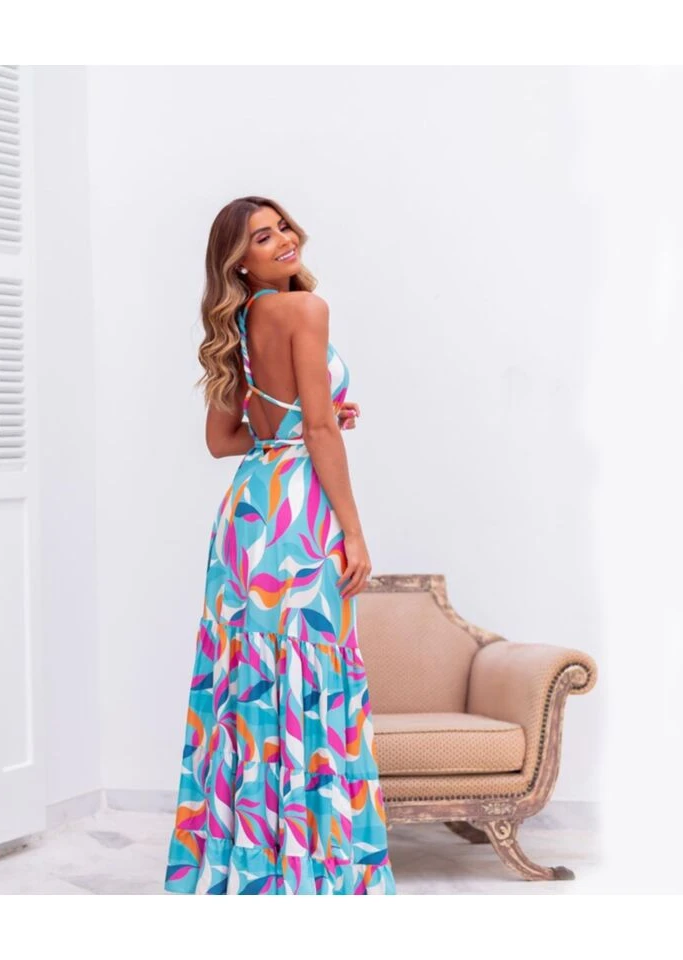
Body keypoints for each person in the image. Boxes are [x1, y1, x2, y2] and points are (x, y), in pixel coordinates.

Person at [163, 195, 397, 895]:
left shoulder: (236, 323)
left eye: (281, 226)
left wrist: (302, 422)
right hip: (301, 518)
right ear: (240, 262)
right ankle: (313, 868)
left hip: (248, 517)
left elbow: (225, 441)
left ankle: (252, 869)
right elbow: (317, 433)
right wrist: (353, 530)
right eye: (262, 238)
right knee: (311, 673)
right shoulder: (305, 310)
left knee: (252, 680)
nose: (283, 239)